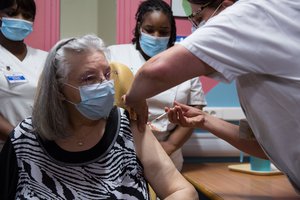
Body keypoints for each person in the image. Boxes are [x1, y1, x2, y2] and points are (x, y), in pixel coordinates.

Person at [124, 0, 300, 192]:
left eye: (199, 17)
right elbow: (266, 146)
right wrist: (205, 121)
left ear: (225, 6)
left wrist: (134, 98)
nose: (197, 27)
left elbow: (154, 72)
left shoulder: (247, 14)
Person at [0, 34, 198, 200]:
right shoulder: (24, 139)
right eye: (89, 78)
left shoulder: (129, 128)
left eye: (107, 74)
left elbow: (182, 191)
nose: (105, 84)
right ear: (59, 90)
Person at [108, 0, 206, 171]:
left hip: (167, 153)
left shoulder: (185, 61)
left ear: (172, 32)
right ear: (139, 27)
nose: (155, 36)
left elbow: (195, 107)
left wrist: (171, 145)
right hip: (121, 152)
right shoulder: (114, 55)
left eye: (163, 32)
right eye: (149, 30)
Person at [0, 0, 48, 151]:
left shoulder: (46, 58)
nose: (20, 20)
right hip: (6, 149)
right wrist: (20, 139)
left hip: (43, 149)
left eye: (27, 16)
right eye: (12, 13)